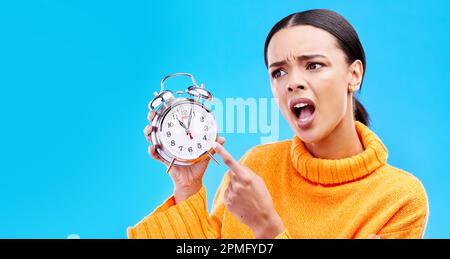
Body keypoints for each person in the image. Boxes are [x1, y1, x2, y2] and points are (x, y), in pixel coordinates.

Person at [128, 9, 428, 239]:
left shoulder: (399, 200)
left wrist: (267, 226)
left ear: (354, 75)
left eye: (314, 65)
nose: (293, 83)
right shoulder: (256, 167)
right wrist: (188, 186)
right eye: (279, 72)